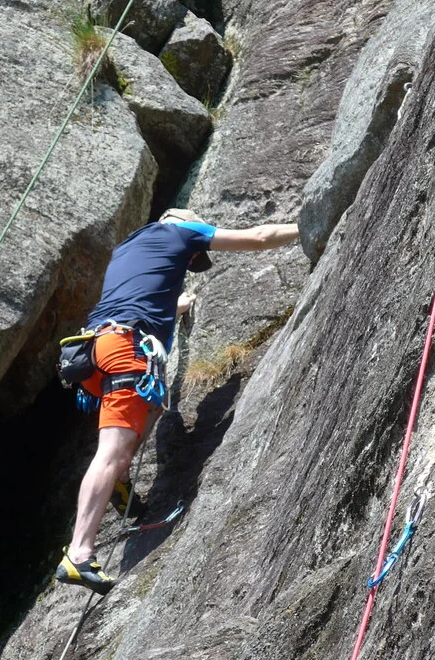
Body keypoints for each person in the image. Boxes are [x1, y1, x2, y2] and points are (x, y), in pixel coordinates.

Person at [55, 208, 300, 594]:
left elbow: (140, 293)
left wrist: (176, 307)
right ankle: (79, 553)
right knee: (110, 451)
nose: (190, 259)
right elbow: (259, 236)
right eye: (193, 257)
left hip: (93, 351)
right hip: (124, 351)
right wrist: (305, 225)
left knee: (154, 402)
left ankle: (120, 481)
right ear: (184, 223)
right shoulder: (184, 232)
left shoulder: (129, 246)